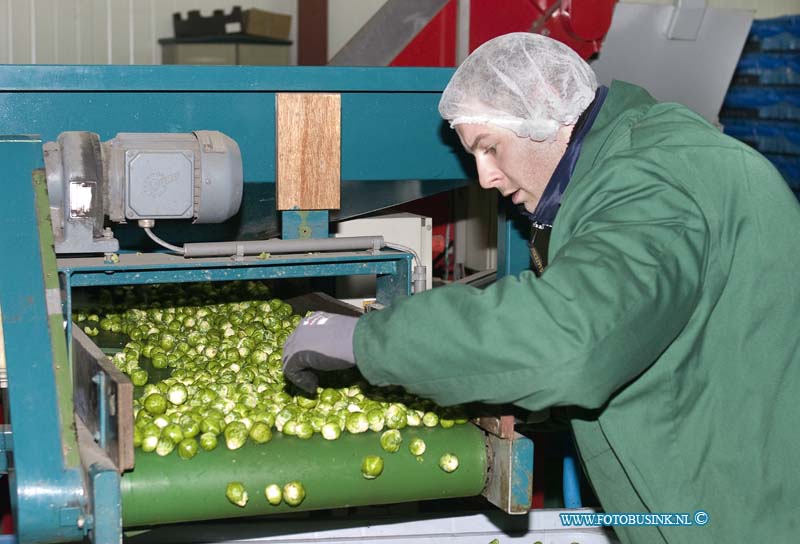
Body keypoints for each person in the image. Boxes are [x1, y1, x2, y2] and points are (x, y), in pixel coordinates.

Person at [282, 32, 800, 543]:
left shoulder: (649, 181)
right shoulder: (640, 154)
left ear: (549, 111)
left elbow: (571, 339)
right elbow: (661, 331)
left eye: (489, 147)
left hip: (743, 510)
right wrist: (525, 391)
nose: (484, 178)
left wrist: (362, 340)